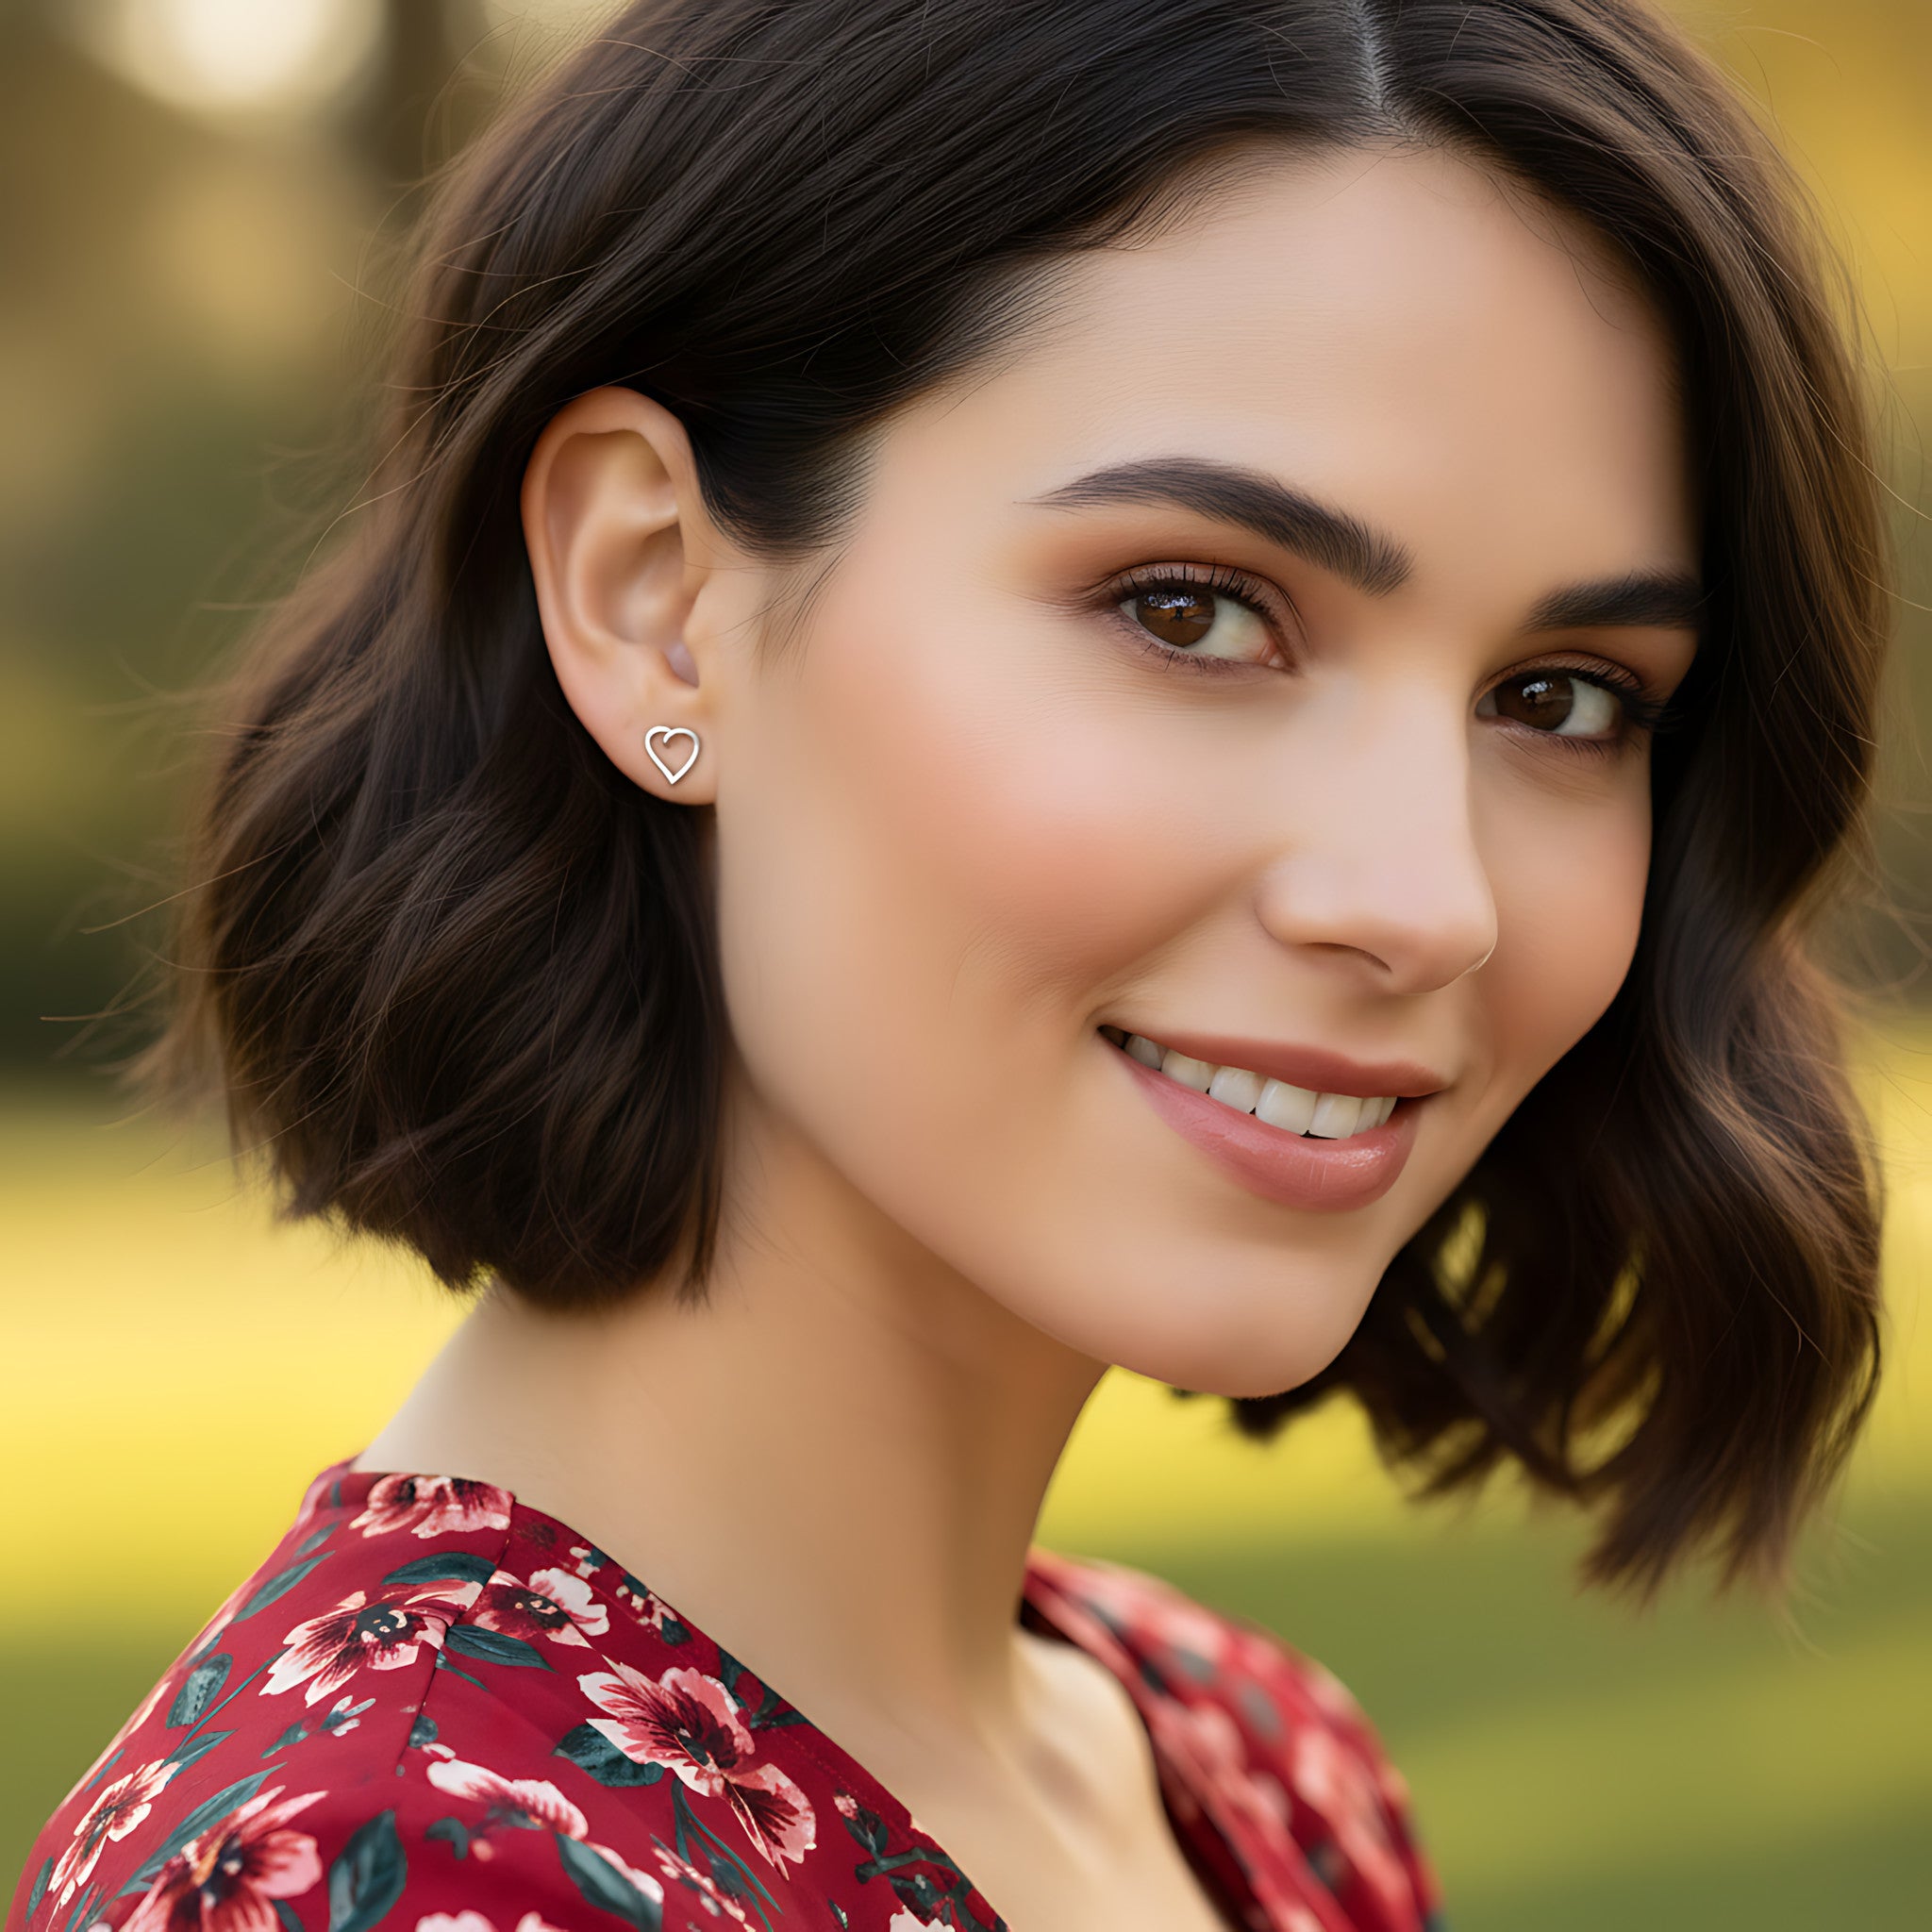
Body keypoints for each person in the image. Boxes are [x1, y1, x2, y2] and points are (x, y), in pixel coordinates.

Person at [8, 1, 1890, 1928]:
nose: (1427, 900)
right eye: (1194, 609)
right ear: (653, 596)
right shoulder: (389, 1879)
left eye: (1562, 697)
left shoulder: (1252, 1773)